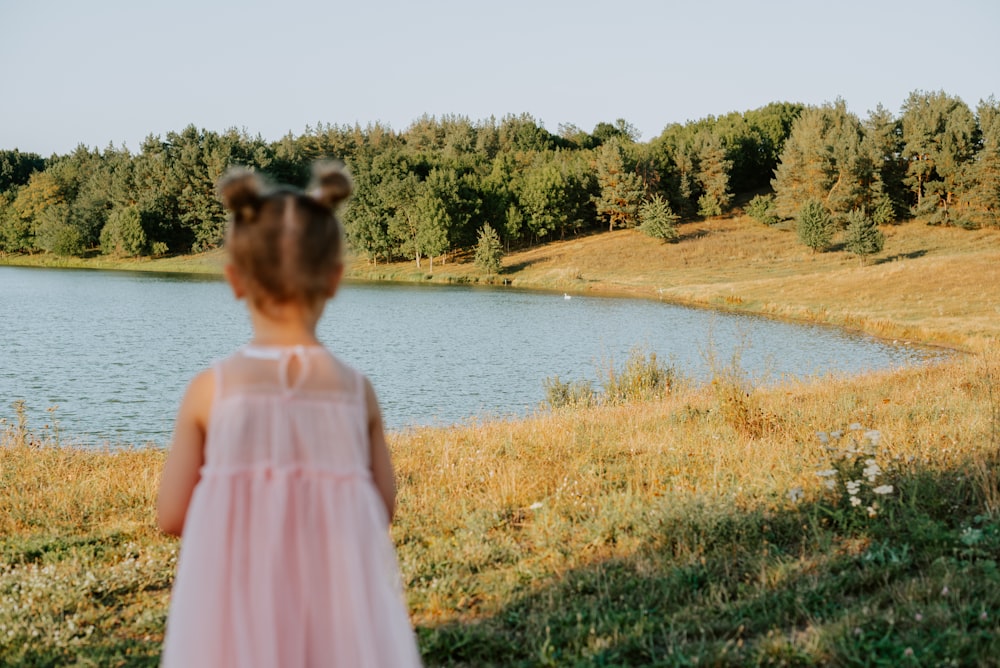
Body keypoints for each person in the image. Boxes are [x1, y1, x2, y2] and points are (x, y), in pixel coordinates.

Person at [156, 163, 422, 667]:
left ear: (235, 280)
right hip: (336, 609)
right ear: (335, 279)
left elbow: (171, 514)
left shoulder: (209, 390)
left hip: (233, 607)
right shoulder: (354, 391)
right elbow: (382, 507)